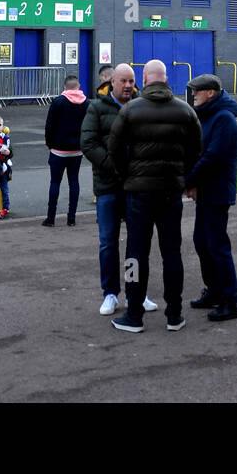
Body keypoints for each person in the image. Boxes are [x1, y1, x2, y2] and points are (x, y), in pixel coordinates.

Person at [107, 58, 202, 334]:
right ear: (166, 80)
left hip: (138, 194)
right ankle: (175, 314)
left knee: (135, 254)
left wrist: (127, 175)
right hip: (170, 192)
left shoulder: (130, 111)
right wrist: (182, 177)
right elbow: (196, 149)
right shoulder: (185, 111)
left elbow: (114, 148)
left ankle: (134, 314)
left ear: (144, 81)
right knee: (172, 253)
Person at [80, 63, 160, 317]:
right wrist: (114, 166)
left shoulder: (141, 106)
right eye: (123, 81)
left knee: (136, 244)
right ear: (111, 82)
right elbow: (88, 143)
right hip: (108, 187)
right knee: (108, 243)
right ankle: (110, 293)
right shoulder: (96, 107)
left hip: (136, 187)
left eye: (131, 81)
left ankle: (136, 292)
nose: (128, 86)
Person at [184, 73, 237, 322]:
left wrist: (187, 181)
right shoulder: (208, 116)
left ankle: (231, 300)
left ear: (211, 93)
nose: (193, 94)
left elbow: (213, 158)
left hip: (217, 191)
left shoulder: (224, 119)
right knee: (201, 242)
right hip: (206, 190)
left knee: (217, 246)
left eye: (197, 90)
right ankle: (215, 291)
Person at [42, 75, 88, 227]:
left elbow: (49, 126)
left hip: (58, 150)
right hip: (77, 150)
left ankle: (50, 218)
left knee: (55, 182)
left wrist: (50, 144)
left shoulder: (58, 102)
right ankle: (71, 218)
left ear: (65, 87)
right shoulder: (86, 103)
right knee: (74, 182)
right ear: (78, 86)